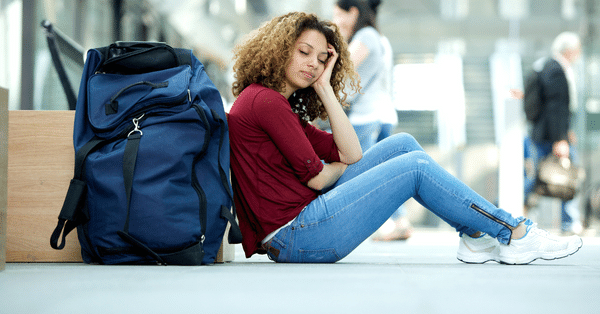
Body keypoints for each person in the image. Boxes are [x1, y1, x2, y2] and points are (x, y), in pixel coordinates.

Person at [228, 11, 583, 264]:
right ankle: (512, 232)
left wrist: (325, 88)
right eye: (303, 52)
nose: (313, 65)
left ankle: (474, 238)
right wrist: (333, 169)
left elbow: (349, 153)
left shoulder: (277, 103)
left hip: (302, 224)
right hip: (296, 235)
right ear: (278, 49)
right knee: (413, 167)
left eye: (322, 60)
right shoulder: (265, 101)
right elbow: (320, 177)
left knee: (403, 144)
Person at [333, 0, 411, 241]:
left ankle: (352, 223)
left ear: (353, 12)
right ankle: (399, 220)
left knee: (358, 173)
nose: (336, 21)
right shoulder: (378, 37)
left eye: (338, 15)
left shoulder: (366, 36)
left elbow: (343, 67)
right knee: (379, 171)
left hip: (365, 118)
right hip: (378, 114)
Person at [524, 32, 583, 235]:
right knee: (565, 176)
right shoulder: (556, 70)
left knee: (541, 177)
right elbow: (556, 107)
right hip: (552, 137)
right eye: (577, 50)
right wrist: (560, 138)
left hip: (546, 134)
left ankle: (515, 212)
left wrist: (567, 131)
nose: (578, 54)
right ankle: (569, 221)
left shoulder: (545, 66)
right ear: (569, 50)